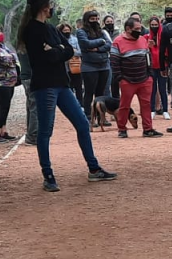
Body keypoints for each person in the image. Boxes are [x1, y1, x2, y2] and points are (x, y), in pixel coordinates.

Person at [19, 0, 117, 192]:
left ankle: (94, 169)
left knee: (81, 123)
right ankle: (48, 175)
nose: (52, 7)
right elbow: (46, 57)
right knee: (45, 131)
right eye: (51, 4)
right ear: (44, 7)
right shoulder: (32, 30)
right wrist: (59, 52)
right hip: (45, 85)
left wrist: (56, 50)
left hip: (62, 85)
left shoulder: (51, 29)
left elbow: (69, 50)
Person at [111, 17, 162, 138]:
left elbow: (147, 57)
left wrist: (150, 75)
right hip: (127, 80)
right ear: (128, 29)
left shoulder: (143, 40)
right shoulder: (117, 42)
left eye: (140, 28)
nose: (139, 31)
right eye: (137, 29)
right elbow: (114, 61)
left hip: (144, 79)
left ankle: (148, 129)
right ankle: (122, 129)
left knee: (146, 105)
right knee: (124, 106)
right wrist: (120, 78)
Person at [78, 11, 113, 125]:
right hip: (89, 67)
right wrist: (101, 42)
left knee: (101, 94)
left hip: (104, 66)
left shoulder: (102, 31)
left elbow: (109, 45)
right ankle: (88, 118)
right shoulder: (81, 32)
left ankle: (101, 118)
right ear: (87, 20)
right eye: (92, 19)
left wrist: (97, 48)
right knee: (89, 93)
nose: (95, 21)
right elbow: (86, 44)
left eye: (97, 18)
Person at [147, 16, 171, 121]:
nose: (154, 27)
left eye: (156, 25)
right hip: (151, 67)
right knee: (152, 90)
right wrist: (148, 46)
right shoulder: (146, 37)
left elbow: (168, 50)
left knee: (162, 89)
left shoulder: (164, 36)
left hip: (162, 66)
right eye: (152, 25)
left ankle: (165, 110)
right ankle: (152, 110)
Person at [58, 23, 84, 105]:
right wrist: (71, 51)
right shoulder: (58, 40)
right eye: (64, 30)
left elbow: (80, 52)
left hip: (76, 66)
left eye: (68, 30)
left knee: (78, 87)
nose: (67, 32)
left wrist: (69, 52)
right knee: (69, 87)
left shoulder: (75, 39)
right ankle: (71, 104)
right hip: (64, 68)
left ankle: (80, 104)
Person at [17, 49, 37, 146]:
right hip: (31, 76)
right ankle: (32, 135)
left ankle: (31, 133)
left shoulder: (21, 46)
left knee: (30, 105)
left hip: (25, 77)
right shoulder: (31, 46)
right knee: (34, 107)